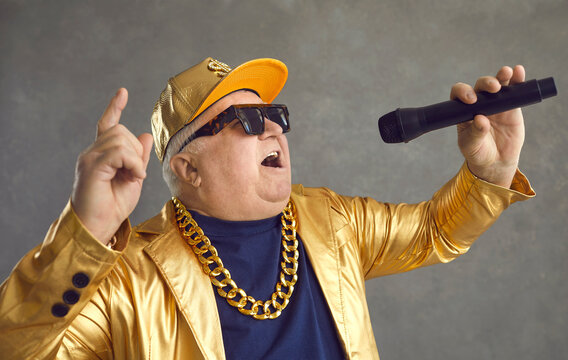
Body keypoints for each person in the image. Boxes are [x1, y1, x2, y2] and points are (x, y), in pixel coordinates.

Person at [0, 57, 534, 359]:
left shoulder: (330, 220)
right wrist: (84, 232)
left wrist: (491, 171)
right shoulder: (129, 278)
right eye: (247, 122)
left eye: (274, 113)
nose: (274, 127)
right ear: (188, 168)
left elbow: (433, 231)